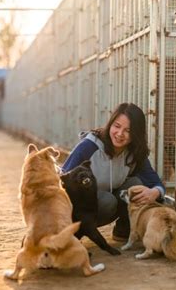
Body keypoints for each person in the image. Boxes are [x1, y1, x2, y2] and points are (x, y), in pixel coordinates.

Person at [61, 102, 166, 241]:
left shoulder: (134, 153)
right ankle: (75, 232)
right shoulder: (88, 147)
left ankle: (123, 229)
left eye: (128, 131)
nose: (120, 134)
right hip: (80, 210)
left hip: (107, 205)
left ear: (136, 134)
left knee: (136, 184)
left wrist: (154, 192)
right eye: (117, 126)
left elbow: (155, 182)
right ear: (110, 124)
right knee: (107, 200)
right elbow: (61, 181)